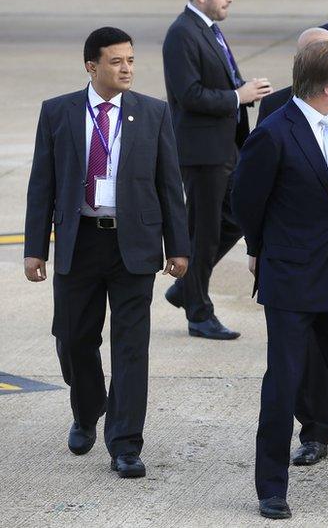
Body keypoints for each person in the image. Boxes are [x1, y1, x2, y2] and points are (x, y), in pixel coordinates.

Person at [24, 27, 190, 479]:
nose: (127, 69)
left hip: (133, 243)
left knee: (132, 346)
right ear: (91, 67)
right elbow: (43, 184)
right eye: (116, 61)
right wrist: (34, 249)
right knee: (75, 339)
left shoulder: (153, 114)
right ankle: (87, 409)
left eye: (131, 61)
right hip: (80, 240)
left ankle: (125, 443)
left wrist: (178, 246)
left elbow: (168, 185)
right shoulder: (58, 112)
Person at [232, 40, 328, 520]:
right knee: (284, 382)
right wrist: (263, 251)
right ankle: (271, 485)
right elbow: (244, 203)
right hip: (293, 280)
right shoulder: (275, 133)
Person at [162, 0, 273, 340]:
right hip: (202, 151)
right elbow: (188, 95)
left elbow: (221, 80)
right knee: (203, 231)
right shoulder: (182, 34)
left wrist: (245, 91)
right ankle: (198, 312)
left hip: (225, 146)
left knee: (234, 217)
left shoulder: (208, 30)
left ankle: (186, 288)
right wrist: (237, 96)